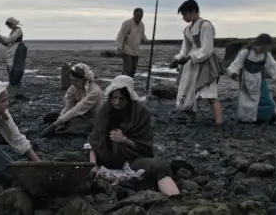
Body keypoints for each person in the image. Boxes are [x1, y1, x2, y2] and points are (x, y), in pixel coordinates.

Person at [52, 75, 180, 196]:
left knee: (160, 167)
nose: (117, 102)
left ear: (129, 98)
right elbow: (94, 140)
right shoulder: (105, 110)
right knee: (64, 157)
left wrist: (124, 140)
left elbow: (144, 145)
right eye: (114, 97)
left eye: (121, 99)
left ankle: (174, 197)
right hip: (102, 157)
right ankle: (50, 186)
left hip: (130, 160)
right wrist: (93, 165)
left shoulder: (140, 112)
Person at [170, 0, 224, 126]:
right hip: (191, 63)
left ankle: (219, 122)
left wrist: (189, 57)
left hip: (205, 62)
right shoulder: (187, 29)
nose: (183, 17)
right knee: (188, 91)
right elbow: (185, 48)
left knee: (210, 95)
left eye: (185, 14)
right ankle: (191, 119)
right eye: (182, 15)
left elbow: (207, 49)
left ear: (193, 11)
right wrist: (179, 59)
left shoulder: (206, 26)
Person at [227, 34, 276, 127]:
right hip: (246, 80)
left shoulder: (266, 55)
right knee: (246, 102)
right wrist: (233, 73)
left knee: (268, 100)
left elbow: (274, 67)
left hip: (259, 81)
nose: (262, 50)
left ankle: (274, 117)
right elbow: (236, 64)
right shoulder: (245, 53)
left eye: (265, 48)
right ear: (256, 43)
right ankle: (248, 119)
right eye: (262, 47)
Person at [41, 63, 102, 136]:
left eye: (75, 80)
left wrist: (54, 125)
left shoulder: (94, 91)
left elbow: (78, 108)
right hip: (79, 116)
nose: (72, 83)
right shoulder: (73, 88)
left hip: (93, 119)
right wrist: (59, 121)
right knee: (53, 117)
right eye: (71, 80)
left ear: (84, 79)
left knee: (71, 125)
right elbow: (68, 108)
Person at [116, 8, 148, 77]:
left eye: (141, 16)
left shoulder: (141, 25)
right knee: (127, 68)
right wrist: (119, 48)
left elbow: (142, 36)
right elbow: (121, 36)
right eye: (138, 16)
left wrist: (149, 41)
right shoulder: (127, 23)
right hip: (126, 50)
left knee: (133, 69)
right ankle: (123, 84)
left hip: (135, 51)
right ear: (134, 14)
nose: (139, 18)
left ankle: (129, 83)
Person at [0, 17, 27, 87]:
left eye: (9, 25)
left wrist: (1, 37)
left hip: (17, 49)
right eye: (8, 25)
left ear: (13, 24)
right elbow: (8, 42)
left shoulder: (18, 31)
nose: (9, 27)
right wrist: (1, 40)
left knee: (16, 64)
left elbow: (10, 39)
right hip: (12, 48)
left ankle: (15, 81)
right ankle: (12, 80)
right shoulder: (13, 31)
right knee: (11, 64)